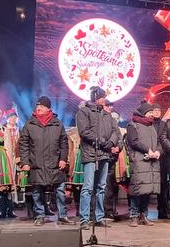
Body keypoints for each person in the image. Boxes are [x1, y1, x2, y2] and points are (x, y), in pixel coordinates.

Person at [19, 96, 72, 226]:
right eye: (38, 106)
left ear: (49, 109)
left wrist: (63, 159)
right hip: (36, 163)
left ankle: (63, 216)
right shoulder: (29, 124)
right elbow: (23, 144)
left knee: (60, 190)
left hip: (54, 163)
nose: (39, 108)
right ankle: (40, 215)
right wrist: (25, 162)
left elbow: (64, 143)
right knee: (37, 191)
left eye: (42, 106)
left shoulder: (57, 123)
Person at [75, 87, 120, 229]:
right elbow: (84, 131)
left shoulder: (107, 115)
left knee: (101, 187)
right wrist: (101, 142)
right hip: (90, 154)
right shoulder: (83, 112)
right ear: (95, 97)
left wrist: (110, 143)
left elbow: (115, 131)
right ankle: (84, 219)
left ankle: (99, 217)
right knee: (88, 187)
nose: (104, 99)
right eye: (102, 97)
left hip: (105, 154)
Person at [125, 102, 161, 227]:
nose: (152, 114)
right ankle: (134, 215)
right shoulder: (133, 125)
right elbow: (134, 142)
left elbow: (159, 142)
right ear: (143, 112)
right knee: (137, 189)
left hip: (152, 162)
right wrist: (147, 150)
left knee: (147, 190)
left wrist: (157, 152)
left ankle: (143, 215)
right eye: (150, 112)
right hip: (139, 161)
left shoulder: (152, 126)